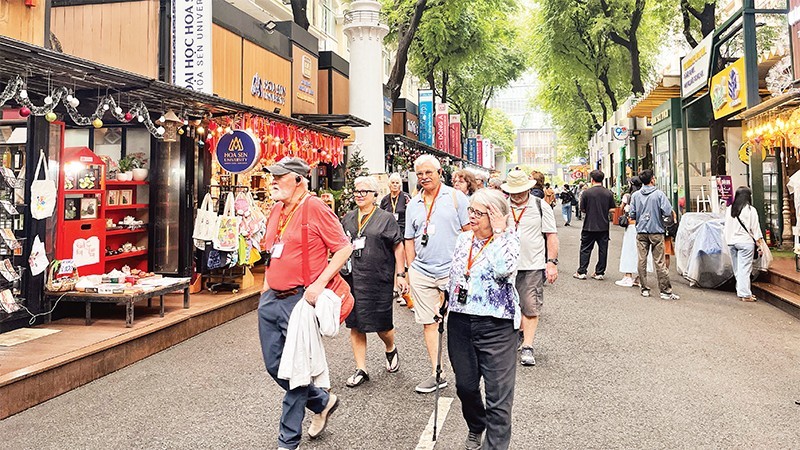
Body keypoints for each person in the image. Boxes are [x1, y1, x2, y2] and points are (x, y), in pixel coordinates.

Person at [258, 157, 351, 450]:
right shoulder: (276, 209)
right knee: (275, 366)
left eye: (280, 176)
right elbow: (272, 251)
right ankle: (322, 401)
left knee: (296, 369)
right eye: (272, 175)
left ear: (299, 179)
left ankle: (288, 441)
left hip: (300, 301)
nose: (273, 181)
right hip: (272, 298)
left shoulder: (315, 207)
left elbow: (343, 248)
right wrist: (264, 290)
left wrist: (318, 284)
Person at [446, 188, 520, 450]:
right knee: (465, 387)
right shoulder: (463, 239)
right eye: (471, 210)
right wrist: (444, 298)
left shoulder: (509, 240)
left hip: (497, 325)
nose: (473, 217)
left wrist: (500, 232)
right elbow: (456, 275)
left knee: (498, 397)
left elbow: (503, 270)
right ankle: (477, 424)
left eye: (480, 212)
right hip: (460, 322)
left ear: (496, 216)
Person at [405, 155, 470, 393]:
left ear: (439, 172)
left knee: (459, 322)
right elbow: (409, 239)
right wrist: (410, 269)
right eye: (420, 174)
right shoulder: (413, 203)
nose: (423, 178)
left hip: (452, 272)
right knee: (429, 323)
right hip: (422, 272)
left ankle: (466, 371)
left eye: (428, 173)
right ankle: (437, 372)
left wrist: (466, 268)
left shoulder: (456, 198)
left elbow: (469, 234)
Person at [341, 176, 408, 387]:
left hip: (379, 278)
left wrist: (400, 274)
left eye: (364, 192)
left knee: (382, 325)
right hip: (353, 278)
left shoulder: (386, 218)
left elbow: (398, 246)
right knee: (356, 324)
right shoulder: (348, 218)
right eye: (356, 191)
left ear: (374, 195)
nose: (359, 195)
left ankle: (390, 347)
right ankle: (361, 368)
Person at [501, 169, 558, 366]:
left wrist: (551, 263)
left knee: (530, 305)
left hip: (532, 264)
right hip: (504, 265)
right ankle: (515, 335)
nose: (516, 195)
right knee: (506, 306)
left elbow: (551, 235)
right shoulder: (501, 206)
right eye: (513, 191)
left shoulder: (540, 206)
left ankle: (528, 346)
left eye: (520, 191)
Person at [629, 169, 680, 300]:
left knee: (642, 259)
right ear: (652, 179)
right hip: (657, 231)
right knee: (660, 261)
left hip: (641, 231)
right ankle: (665, 291)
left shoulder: (635, 195)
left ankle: (644, 288)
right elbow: (668, 211)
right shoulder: (659, 194)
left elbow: (632, 214)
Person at [573, 170, 616, 281]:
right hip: (603, 226)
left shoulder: (586, 193)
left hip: (589, 225)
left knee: (585, 249)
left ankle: (582, 271)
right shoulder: (608, 193)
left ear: (592, 180)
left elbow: (582, 209)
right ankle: (599, 272)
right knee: (603, 249)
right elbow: (613, 209)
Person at [723, 186, 763, 302]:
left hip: (732, 242)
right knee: (744, 269)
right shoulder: (751, 210)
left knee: (737, 269)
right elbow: (755, 228)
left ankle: (740, 291)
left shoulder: (730, 209)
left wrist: (728, 240)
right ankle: (745, 294)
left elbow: (726, 227)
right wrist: (759, 242)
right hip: (745, 242)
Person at [615, 177, 652, 287]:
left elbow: (621, 209)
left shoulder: (628, 196)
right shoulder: (647, 195)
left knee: (629, 250)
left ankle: (628, 276)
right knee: (643, 251)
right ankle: (640, 278)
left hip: (631, 226)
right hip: (644, 226)